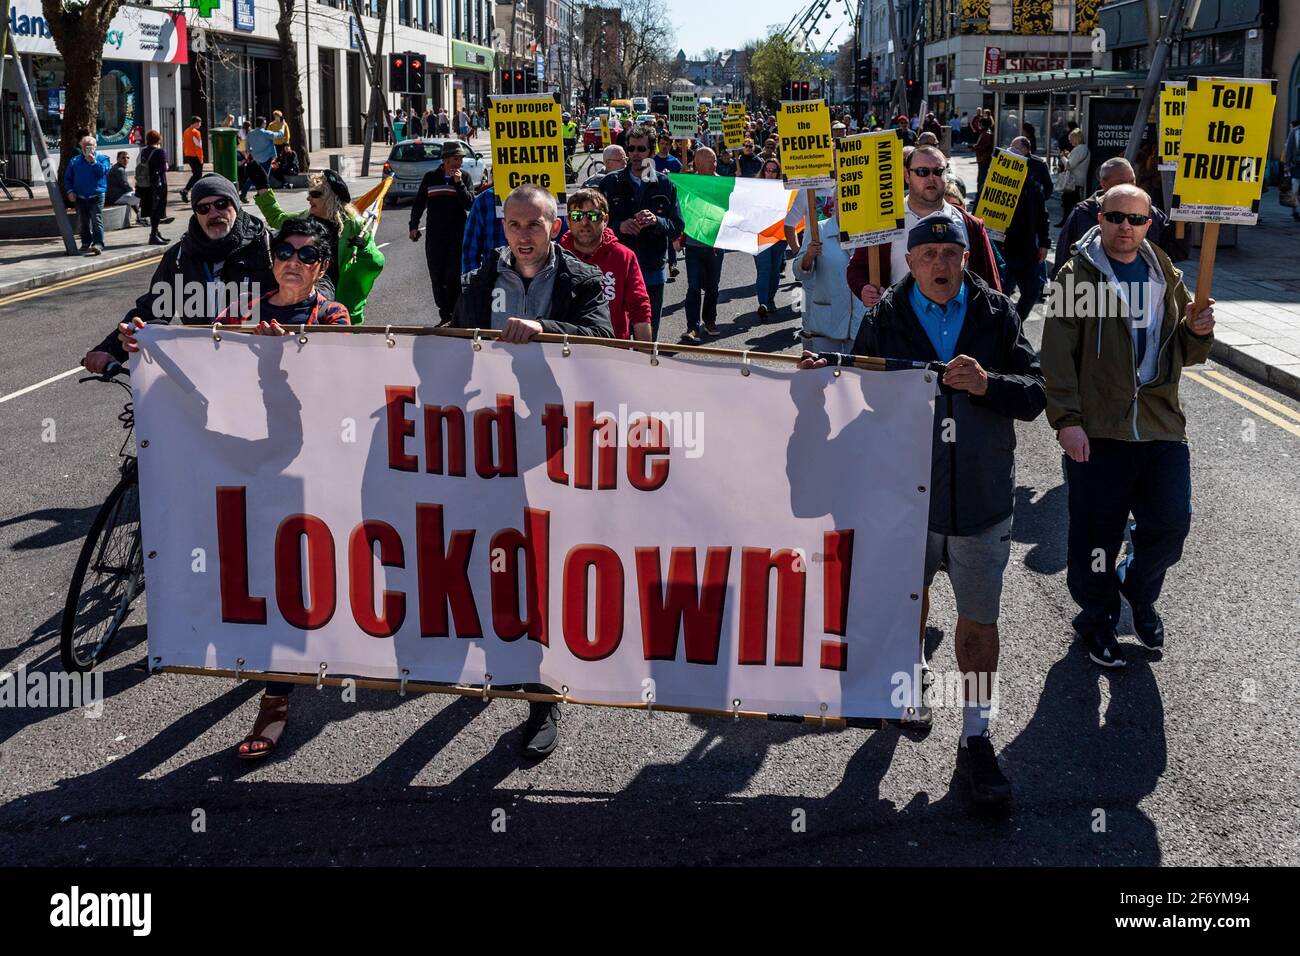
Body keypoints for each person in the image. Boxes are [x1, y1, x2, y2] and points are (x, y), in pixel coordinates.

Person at [801, 215, 1045, 808]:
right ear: (908, 261)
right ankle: (909, 685)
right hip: (905, 500)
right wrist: (822, 375)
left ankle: (977, 736)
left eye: (950, 253)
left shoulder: (994, 313)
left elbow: (1036, 392)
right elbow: (859, 390)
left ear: (966, 258)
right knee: (910, 603)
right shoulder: (884, 317)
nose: (940, 265)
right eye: (928, 253)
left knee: (979, 626)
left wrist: (990, 385)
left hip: (982, 501)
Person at [1042, 184, 1215, 669]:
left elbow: (1185, 351)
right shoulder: (1078, 277)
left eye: (1136, 219)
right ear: (1100, 217)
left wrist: (1197, 332)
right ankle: (1095, 618)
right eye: (1116, 216)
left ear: (1149, 223)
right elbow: (1056, 355)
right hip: (1100, 430)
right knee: (1095, 538)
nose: (1125, 227)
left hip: (1160, 424)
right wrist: (1067, 421)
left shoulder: (1165, 273)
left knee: (1170, 523)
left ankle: (1137, 588)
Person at [81, 174, 277, 373]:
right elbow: (151, 311)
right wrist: (108, 350)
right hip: (205, 371)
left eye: (221, 203)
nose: (214, 213)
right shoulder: (179, 257)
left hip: (262, 366)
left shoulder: (268, 248)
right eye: (203, 208)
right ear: (196, 214)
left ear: (236, 205)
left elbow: (300, 302)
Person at [848, 144, 1002, 308]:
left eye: (938, 171)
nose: (931, 178)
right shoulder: (884, 222)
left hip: (958, 329)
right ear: (907, 175)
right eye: (922, 172)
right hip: (901, 327)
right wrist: (864, 289)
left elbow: (992, 283)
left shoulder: (970, 225)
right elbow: (856, 268)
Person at [247, 163, 384, 324]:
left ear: (330, 197)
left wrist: (365, 247)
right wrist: (263, 187)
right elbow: (277, 219)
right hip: (305, 299)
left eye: (315, 194)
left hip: (342, 302)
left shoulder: (355, 226)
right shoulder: (305, 219)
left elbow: (377, 262)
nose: (308, 198)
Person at [599, 125, 685, 340]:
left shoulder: (665, 184)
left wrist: (657, 221)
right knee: (616, 334)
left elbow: (677, 225)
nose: (635, 154)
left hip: (651, 270)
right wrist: (619, 226)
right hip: (616, 271)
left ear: (651, 152)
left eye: (641, 149)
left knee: (646, 336)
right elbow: (594, 226)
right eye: (631, 148)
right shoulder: (610, 183)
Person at [1053, 156, 1185, 279]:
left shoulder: (1151, 213)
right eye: (1115, 218)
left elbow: (1175, 252)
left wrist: (1183, 219)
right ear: (1104, 184)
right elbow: (1064, 258)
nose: (1129, 186)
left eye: (1132, 181)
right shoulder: (1083, 214)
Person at [559, 187, 652, 341]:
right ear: (568, 221)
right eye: (577, 216)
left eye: (593, 216)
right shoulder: (556, 257)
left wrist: (645, 358)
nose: (584, 222)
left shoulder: (624, 256)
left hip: (612, 352)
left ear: (605, 220)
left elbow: (640, 308)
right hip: (566, 352)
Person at [408, 140, 474, 324]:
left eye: (461, 159)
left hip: (457, 236)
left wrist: (458, 184)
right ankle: (445, 315)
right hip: (435, 238)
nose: (458, 163)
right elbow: (419, 203)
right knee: (437, 277)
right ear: (445, 159)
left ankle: (454, 314)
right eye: (455, 158)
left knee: (453, 277)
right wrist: (413, 226)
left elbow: (470, 204)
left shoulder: (465, 177)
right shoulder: (431, 178)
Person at [792, 191, 864, 353]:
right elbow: (799, 273)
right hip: (827, 320)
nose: (847, 202)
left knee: (855, 376)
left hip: (860, 321)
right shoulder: (819, 230)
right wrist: (808, 256)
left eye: (852, 197)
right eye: (842, 198)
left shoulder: (869, 232)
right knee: (825, 373)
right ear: (834, 202)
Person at [999, 141, 1052, 321]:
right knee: (1001, 294)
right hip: (1002, 251)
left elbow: (1042, 217)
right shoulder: (994, 186)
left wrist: (1044, 243)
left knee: (1031, 291)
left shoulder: (1033, 187)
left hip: (1026, 249)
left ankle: (1016, 324)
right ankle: (1001, 328)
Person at [677, 146, 725, 342]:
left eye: (714, 160)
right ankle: (693, 327)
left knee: (713, 287)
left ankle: (710, 321)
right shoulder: (689, 182)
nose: (714, 163)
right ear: (697, 163)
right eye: (709, 160)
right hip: (694, 244)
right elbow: (679, 206)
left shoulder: (722, 183)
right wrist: (680, 182)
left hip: (715, 245)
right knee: (694, 287)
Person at [750, 158, 787, 318]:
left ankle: (770, 300)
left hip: (779, 236)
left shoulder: (785, 188)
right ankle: (762, 303)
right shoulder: (755, 189)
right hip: (761, 236)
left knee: (774, 270)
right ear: (763, 171)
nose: (770, 173)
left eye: (773, 171)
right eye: (767, 170)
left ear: (778, 173)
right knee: (764, 270)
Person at [64, 135, 111, 255]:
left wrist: (93, 162)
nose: (88, 149)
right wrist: (70, 191)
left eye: (90, 147)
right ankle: (86, 242)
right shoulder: (75, 161)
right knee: (82, 221)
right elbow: (68, 178)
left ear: (95, 147)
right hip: (80, 196)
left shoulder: (102, 159)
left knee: (96, 219)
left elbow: (103, 172)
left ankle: (98, 243)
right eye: (85, 147)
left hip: (97, 195)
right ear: (81, 147)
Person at [135, 129, 173, 246]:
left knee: (152, 209)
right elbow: (165, 167)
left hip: (146, 185)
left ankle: (156, 233)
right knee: (157, 210)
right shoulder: (160, 152)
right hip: (158, 184)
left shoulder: (143, 151)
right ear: (158, 139)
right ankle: (153, 236)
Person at [239, 116, 285, 202]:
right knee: (264, 178)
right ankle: (262, 195)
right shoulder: (266, 133)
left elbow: (247, 148)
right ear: (263, 123)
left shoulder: (250, 134)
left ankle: (244, 193)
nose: (266, 123)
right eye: (265, 122)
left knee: (253, 177)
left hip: (256, 158)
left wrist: (254, 153)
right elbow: (280, 134)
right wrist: (283, 126)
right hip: (267, 158)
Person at [1057, 128, 1088, 226]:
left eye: (1071, 139)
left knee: (1068, 202)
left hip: (1074, 180)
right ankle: (1069, 222)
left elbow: (1069, 165)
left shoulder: (1079, 149)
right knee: (1071, 201)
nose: (1069, 142)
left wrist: (1062, 156)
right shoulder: (1083, 149)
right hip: (1077, 180)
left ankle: (1066, 222)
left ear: (1076, 138)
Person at [105, 151, 145, 226]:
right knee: (142, 195)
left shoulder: (117, 167)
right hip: (115, 197)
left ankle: (140, 217)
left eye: (127, 158)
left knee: (135, 196)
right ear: (117, 159)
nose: (126, 159)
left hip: (116, 196)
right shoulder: (119, 169)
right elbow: (125, 185)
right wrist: (134, 189)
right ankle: (143, 217)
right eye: (123, 158)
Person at [179, 116, 204, 205]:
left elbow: (184, 143)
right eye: (199, 123)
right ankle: (187, 190)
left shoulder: (186, 131)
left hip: (188, 155)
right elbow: (198, 146)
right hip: (195, 156)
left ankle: (193, 192)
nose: (200, 125)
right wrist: (201, 158)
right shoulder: (196, 132)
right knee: (197, 175)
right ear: (196, 123)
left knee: (196, 175)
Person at [972, 116, 994, 202]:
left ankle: (979, 198)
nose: (978, 125)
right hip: (982, 158)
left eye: (979, 123)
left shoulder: (986, 133)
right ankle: (979, 197)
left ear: (982, 124)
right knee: (981, 179)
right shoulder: (984, 132)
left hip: (984, 159)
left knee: (981, 179)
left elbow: (986, 146)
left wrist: (976, 148)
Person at [1287, 117, 1300, 223]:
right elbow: (1289, 149)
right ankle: (1295, 211)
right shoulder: (1294, 132)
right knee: (1294, 189)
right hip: (1296, 166)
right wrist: (1287, 164)